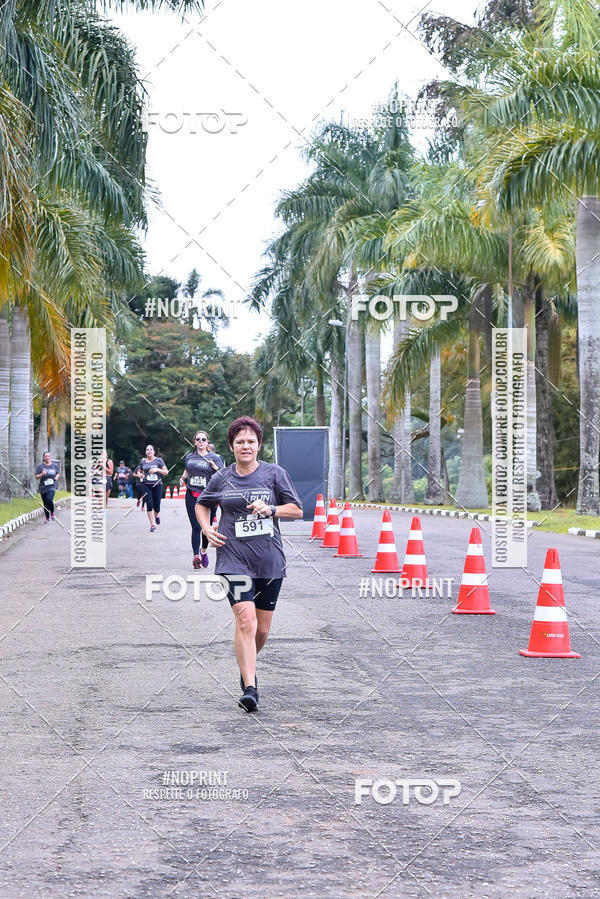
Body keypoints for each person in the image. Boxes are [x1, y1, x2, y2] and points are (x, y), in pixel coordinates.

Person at [196, 416, 302, 713]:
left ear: (259, 445)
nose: (246, 446)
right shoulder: (222, 478)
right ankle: (250, 686)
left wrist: (271, 508)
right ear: (231, 446)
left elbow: (296, 510)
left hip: (269, 560)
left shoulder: (275, 474)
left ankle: (247, 664)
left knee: (262, 631)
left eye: (251, 441)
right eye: (240, 441)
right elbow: (202, 503)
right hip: (233, 558)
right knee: (246, 620)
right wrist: (206, 529)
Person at [180, 430, 224, 569]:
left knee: (206, 528)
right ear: (194, 442)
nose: (200, 441)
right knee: (196, 526)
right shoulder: (189, 457)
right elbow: (187, 471)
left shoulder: (215, 457)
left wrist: (215, 467)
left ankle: (203, 551)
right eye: (198, 439)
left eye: (203, 439)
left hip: (208, 496)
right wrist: (182, 478)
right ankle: (196, 556)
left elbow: (223, 475)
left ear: (207, 442)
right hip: (191, 493)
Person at [135, 445, 168, 532]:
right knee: (149, 504)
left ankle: (156, 515)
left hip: (157, 485)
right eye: (147, 449)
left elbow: (166, 472)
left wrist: (157, 469)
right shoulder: (143, 462)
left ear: (154, 451)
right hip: (146, 485)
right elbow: (139, 471)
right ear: (145, 452)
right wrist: (139, 475)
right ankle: (153, 525)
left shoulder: (159, 460)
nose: (149, 451)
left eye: (151, 449)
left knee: (157, 507)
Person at [35, 452, 60, 522]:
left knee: (49, 499)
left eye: (48, 456)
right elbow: (36, 477)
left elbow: (57, 473)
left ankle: (52, 513)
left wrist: (57, 477)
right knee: (45, 503)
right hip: (43, 487)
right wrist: (42, 474)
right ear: (43, 458)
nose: (47, 457)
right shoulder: (40, 466)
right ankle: (47, 518)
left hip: (52, 486)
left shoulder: (54, 465)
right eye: (46, 456)